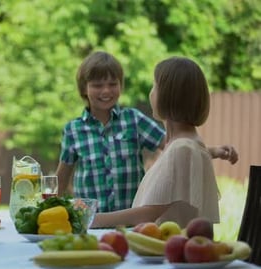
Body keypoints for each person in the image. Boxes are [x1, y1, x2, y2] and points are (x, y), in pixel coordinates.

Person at [56, 51, 238, 213]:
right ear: (83, 89)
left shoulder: (134, 120)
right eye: (97, 85)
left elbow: (173, 147)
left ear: (121, 85)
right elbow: (62, 177)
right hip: (90, 221)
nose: (106, 90)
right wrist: (56, 209)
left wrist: (213, 151)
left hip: (132, 220)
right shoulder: (73, 130)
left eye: (113, 84)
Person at [92, 56, 221, 228]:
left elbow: (148, 214)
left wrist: (91, 218)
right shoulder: (184, 145)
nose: (151, 93)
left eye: (155, 86)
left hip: (168, 252)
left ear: (170, 95)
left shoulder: (182, 148)